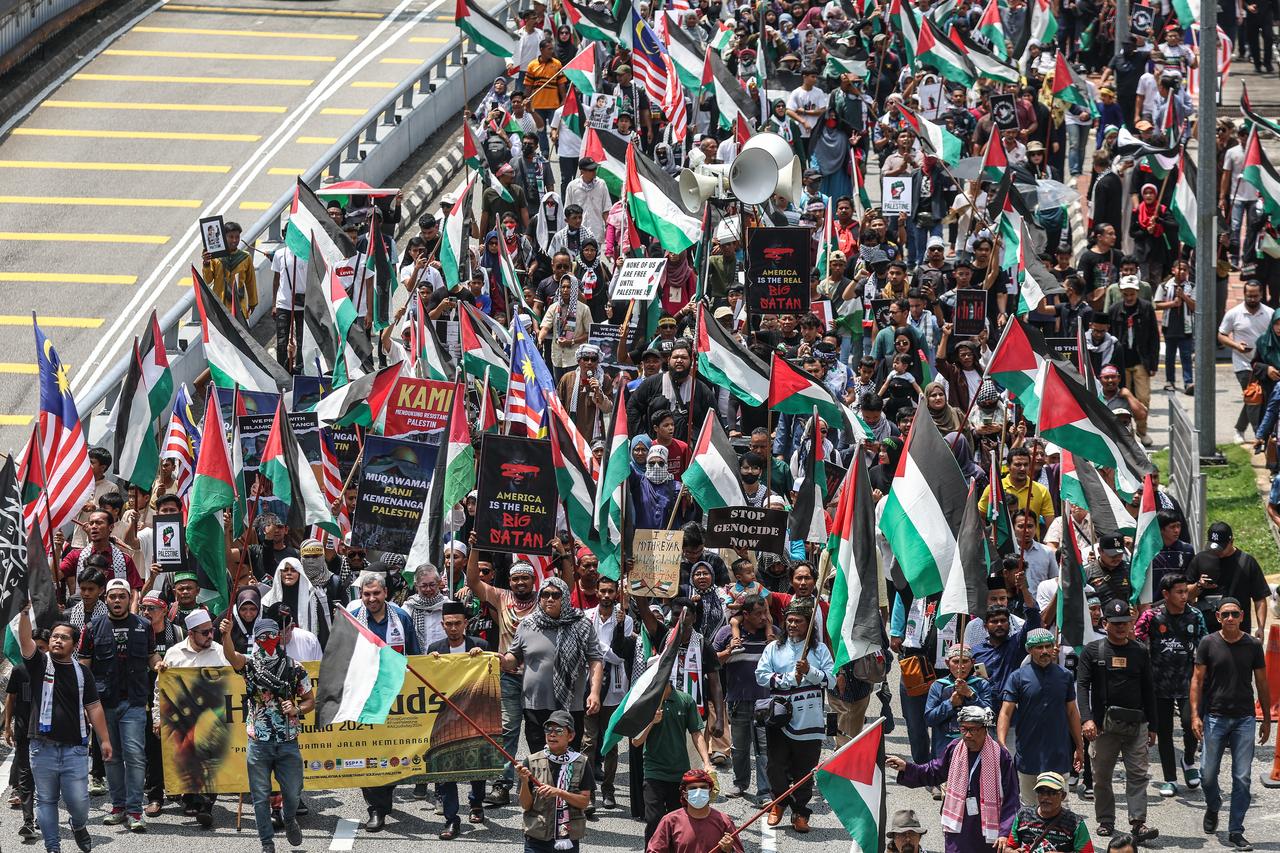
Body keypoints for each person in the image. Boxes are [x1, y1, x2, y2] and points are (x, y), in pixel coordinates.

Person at [19, 608, 113, 853]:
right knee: (46, 800)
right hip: (42, 747)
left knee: (79, 802)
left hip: (75, 748)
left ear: (74, 644)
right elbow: (25, 641)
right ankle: (53, 847)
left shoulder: (83, 672)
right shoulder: (39, 664)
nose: (57, 640)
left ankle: (78, 825)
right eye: (54, 637)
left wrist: (104, 740)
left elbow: (94, 707)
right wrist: (25, 615)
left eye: (64, 637)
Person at [221, 617, 310, 853]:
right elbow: (231, 656)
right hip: (258, 742)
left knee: (293, 792)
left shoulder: (295, 667)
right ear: (256, 640)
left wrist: (297, 708)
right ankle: (266, 844)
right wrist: (227, 634)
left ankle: (289, 818)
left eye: (272, 635)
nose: (267, 640)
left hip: (288, 741)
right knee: (260, 796)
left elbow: (311, 700)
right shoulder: (250, 666)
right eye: (261, 637)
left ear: (279, 636)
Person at [1190, 597, 1271, 851]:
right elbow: (1197, 681)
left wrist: (1266, 718)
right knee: (1207, 774)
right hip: (1215, 717)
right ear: (1217, 618)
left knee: (1242, 777)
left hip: (1245, 718)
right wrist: (1195, 715)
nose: (1230, 619)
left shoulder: (1253, 645)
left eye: (1235, 614)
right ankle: (1213, 805)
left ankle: (1236, 830)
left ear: (1242, 616)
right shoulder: (1208, 643)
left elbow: (1262, 683)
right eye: (1225, 615)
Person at [78, 578, 158, 832]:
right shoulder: (92, 628)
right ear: (106, 599)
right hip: (104, 704)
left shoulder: (144, 626)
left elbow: (151, 656)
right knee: (111, 756)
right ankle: (118, 806)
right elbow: (83, 666)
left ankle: (135, 810)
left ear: (128, 599)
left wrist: (160, 665)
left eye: (122, 596)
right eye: (112, 596)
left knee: (135, 755)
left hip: (134, 701)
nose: (117, 601)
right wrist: (82, 704)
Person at [1076, 600, 1158, 841]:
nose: (1121, 627)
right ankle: (1105, 820)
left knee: (1138, 774)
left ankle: (1138, 822)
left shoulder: (1140, 651)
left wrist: (1153, 726)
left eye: (1125, 623)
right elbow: (1082, 687)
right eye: (1116, 623)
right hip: (1103, 726)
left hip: (1136, 724)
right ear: (1105, 623)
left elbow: (1148, 689)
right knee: (1101, 776)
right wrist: (1087, 719)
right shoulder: (1092, 651)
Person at [887, 706, 1019, 853]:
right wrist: (907, 767)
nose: (967, 735)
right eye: (963, 729)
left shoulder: (1000, 756)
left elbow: (1011, 797)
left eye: (973, 729)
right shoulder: (955, 748)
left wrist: (1004, 832)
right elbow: (934, 771)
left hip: (987, 833)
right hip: (959, 828)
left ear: (985, 729)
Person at [345, 572, 420, 830]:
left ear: (385, 593)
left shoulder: (401, 618)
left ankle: (384, 799)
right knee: (368, 750)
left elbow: (416, 656)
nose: (371, 598)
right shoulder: (354, 620)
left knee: (390, 750)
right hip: (366, 697)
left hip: (398, 697)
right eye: (366, 594)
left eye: (376, 593)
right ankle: (376, 808)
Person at [754, 603, 836, 834]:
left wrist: (810, 671)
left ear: (809, 624)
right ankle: (779, 803)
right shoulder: (773, 648)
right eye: (789, 620)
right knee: (775, 767)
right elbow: (761, 676)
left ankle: (800, 812)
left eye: (798, 621)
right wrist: (788, 678)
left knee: (805, 770)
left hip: (810, 720)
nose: (792, 625)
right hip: (779, 718)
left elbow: (831, 679)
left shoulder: (819, 650)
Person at [501, 576, 603, 751]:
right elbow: (514, 658)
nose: (549, 599)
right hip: (535, 705)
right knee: (538, 759)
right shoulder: (527, 624)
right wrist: (502, 660)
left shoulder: (581, 624)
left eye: (555, 595)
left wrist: (594, 693)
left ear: (564, 598)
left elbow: (595, 659)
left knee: (567, 757)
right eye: (545, 594)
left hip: (570, 704)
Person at [153, 610, 229, 827]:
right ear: (191, 633)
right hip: (183, 718)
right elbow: (161, 689)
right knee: (185, 757)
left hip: (213, 717)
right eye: (204, 632)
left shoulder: (221, 652)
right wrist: (157, 718)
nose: (210, 636)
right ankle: (189, 797)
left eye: (211, 631)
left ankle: (206, 804)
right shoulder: (175, 654)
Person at [1133, 573, 1206, 796]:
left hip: (1187, 681)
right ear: (1166, 594)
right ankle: (1170, 778)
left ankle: (1188, 762)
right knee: (1163, 731)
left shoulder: (1195, 615)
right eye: (1180, 592)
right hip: (1159, 683)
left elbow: (1206, 645)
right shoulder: (1150, 616)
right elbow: (1135, 641)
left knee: (1190, 724)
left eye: (1186, 591)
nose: (1185, 596)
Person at [997, 628, 1085, 806]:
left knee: (1059, 807)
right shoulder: (1017, 677)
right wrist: (1002, 744)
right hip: (1029, 755)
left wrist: (1079, 747)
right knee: (1029, 807)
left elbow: (1072, 713)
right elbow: (1006, 712)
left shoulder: (1065, 676)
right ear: (1030, 650)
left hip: (1058, 755)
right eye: (1039, 647)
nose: (1044, 651)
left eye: (1048, 646)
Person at [428, 601, 488, 840]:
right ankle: (452, 819)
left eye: (457, 624)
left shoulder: (480, 645)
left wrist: (483, 658)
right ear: (443, 625)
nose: (453, 628)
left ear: (466, 624)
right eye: (449, 624)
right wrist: (429, 663)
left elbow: (493, 671)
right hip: (446, 719)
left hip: (476, 715)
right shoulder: (435, 649)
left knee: (478, 763)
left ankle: (476, 803)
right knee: (447, 770)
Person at [631, 676, 711, 843]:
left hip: (680, 773)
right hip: (654, 772)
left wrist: (707, 762)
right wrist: (652, 722)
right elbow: (636, 741)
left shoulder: (685, 700)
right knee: (654, 820)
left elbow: (696, 733)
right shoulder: (646, 702)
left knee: (679, 822)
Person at [710, 597, 773, 802]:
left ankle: (765, 791)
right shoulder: (727, 633)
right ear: (745, 614)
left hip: (766, 701)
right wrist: (728, 651)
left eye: (765, 613)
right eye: (758, 614)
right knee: (739, 747)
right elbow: (711, 660)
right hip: (738, 700)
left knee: (764, 748)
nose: (763, 617)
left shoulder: (773, 634)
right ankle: (740, 784)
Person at [517, 709, 594, 853]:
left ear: (570, 736)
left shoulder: (581, 763)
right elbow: (526, 805)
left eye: (558, 730)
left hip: (568, 838)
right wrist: (523, 781)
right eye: (548, 729)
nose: (552, 734)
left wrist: (559, 793)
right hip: (537, 837)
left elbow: (584, 802)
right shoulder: (531, 761)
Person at [645, 769, 741, 853]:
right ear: (684, 793)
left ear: (710, 791)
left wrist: (730, 850)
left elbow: (739, 850)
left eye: (703, 787)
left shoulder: (724, 821)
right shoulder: (670, 821)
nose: (698, 791)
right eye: (693, 788)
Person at [998, 772, 1094, 853]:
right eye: (1041, 792)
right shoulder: (1023, 815)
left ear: (1063, 796)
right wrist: (1012, 851)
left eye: (1052, 793)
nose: (1045, 797)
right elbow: (1009, 847)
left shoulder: (1075, 823)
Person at [925, 643, 992, 759]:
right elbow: (929, 719)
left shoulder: (981, 685)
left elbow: (989, 717)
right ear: (947, 663)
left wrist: (970, 695)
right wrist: (950, 704)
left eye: (965, 661)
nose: (960, 666)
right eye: (956, 662)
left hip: (975, 747)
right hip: (945, 747)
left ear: (973, 663)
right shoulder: (938, 686)